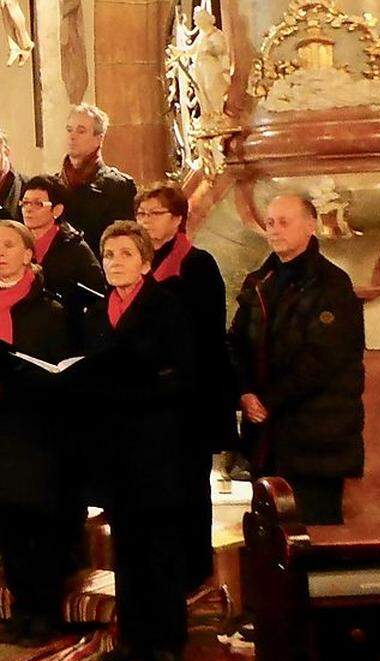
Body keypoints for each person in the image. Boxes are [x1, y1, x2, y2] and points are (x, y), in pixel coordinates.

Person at [0, 220, 76, 646]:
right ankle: (21, 608)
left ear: (29, 254)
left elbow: (62, 374)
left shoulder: (51, 311)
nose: (0, 253)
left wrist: (14, 385)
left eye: (9, 245)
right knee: (8, 526)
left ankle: (44, 611)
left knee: (39, 525)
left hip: (35, 434)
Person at [82, 222, 197, 661]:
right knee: (126, 548)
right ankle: (132, 636)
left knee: (160, 548)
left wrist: (127, 386)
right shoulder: (95, 312)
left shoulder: (168, 307)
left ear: (146, 262)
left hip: (157, 446)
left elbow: (182, 376)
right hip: (114, 450)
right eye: (108, 254)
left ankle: (167, 639)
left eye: (125, 254)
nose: (114, 262)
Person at [228, 194, 364, 525]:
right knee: (272, 536)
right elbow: (234, 343)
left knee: (310, 533)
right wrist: (244, 392)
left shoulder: (331, 285)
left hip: (316, 440)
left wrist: (267, 400)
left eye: (284, 222)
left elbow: (322, 359)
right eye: (270, 222)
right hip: (268, 439)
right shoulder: (260, 281)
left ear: (310, 225)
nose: (274, 230)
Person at [135, 182, 236, 589]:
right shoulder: (136, 261)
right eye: (141, 214)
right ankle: (162, 563)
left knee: (190, 485)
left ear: (177, 219)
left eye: (154, 213)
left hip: (190, 396)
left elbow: (206, 334)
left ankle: (194, 566)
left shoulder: (197, 264)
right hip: (149, 398)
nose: (145, 221)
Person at [19, 175, 105, 318]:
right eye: (25, 203)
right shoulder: (17, 242)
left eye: (37, 204)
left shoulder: (75, 249)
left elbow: (96, 297)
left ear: (57, 210)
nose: (28, 209)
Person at [56, 104, 136, 255]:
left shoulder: (118, 187)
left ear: (99, 139)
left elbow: (125, 241)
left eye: (81, 131)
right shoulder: (53, 185)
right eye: (69, 130)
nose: (72, 136)